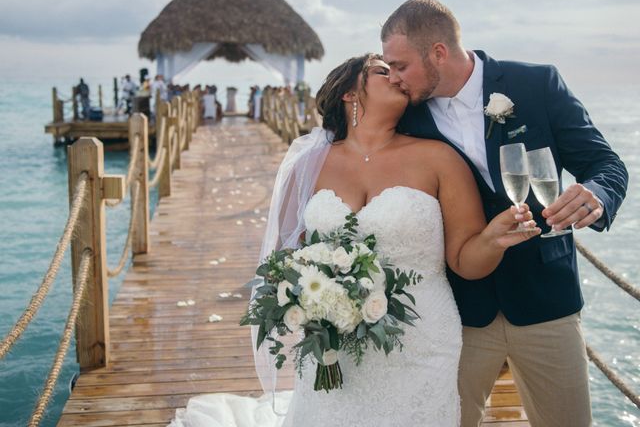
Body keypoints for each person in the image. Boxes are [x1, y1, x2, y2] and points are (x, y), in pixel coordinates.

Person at [169, 53, 541, 427]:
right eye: (383, 71)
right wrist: (313, 300)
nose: (396, 76)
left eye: (398, 71)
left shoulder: (439, 159)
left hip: (421, 339)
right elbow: (284, 261)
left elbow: (465, 261)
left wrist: (493, 240)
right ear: (349, 92)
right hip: (332, 345)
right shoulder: (308, 165)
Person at [380, 0, 628, 427]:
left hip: (546, 299)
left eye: (400, 66)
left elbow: (605, 164)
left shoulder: (536, 84)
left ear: (438, 51)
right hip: (457, 311)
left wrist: (597, 194)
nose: (395, 79)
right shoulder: (405, 117)